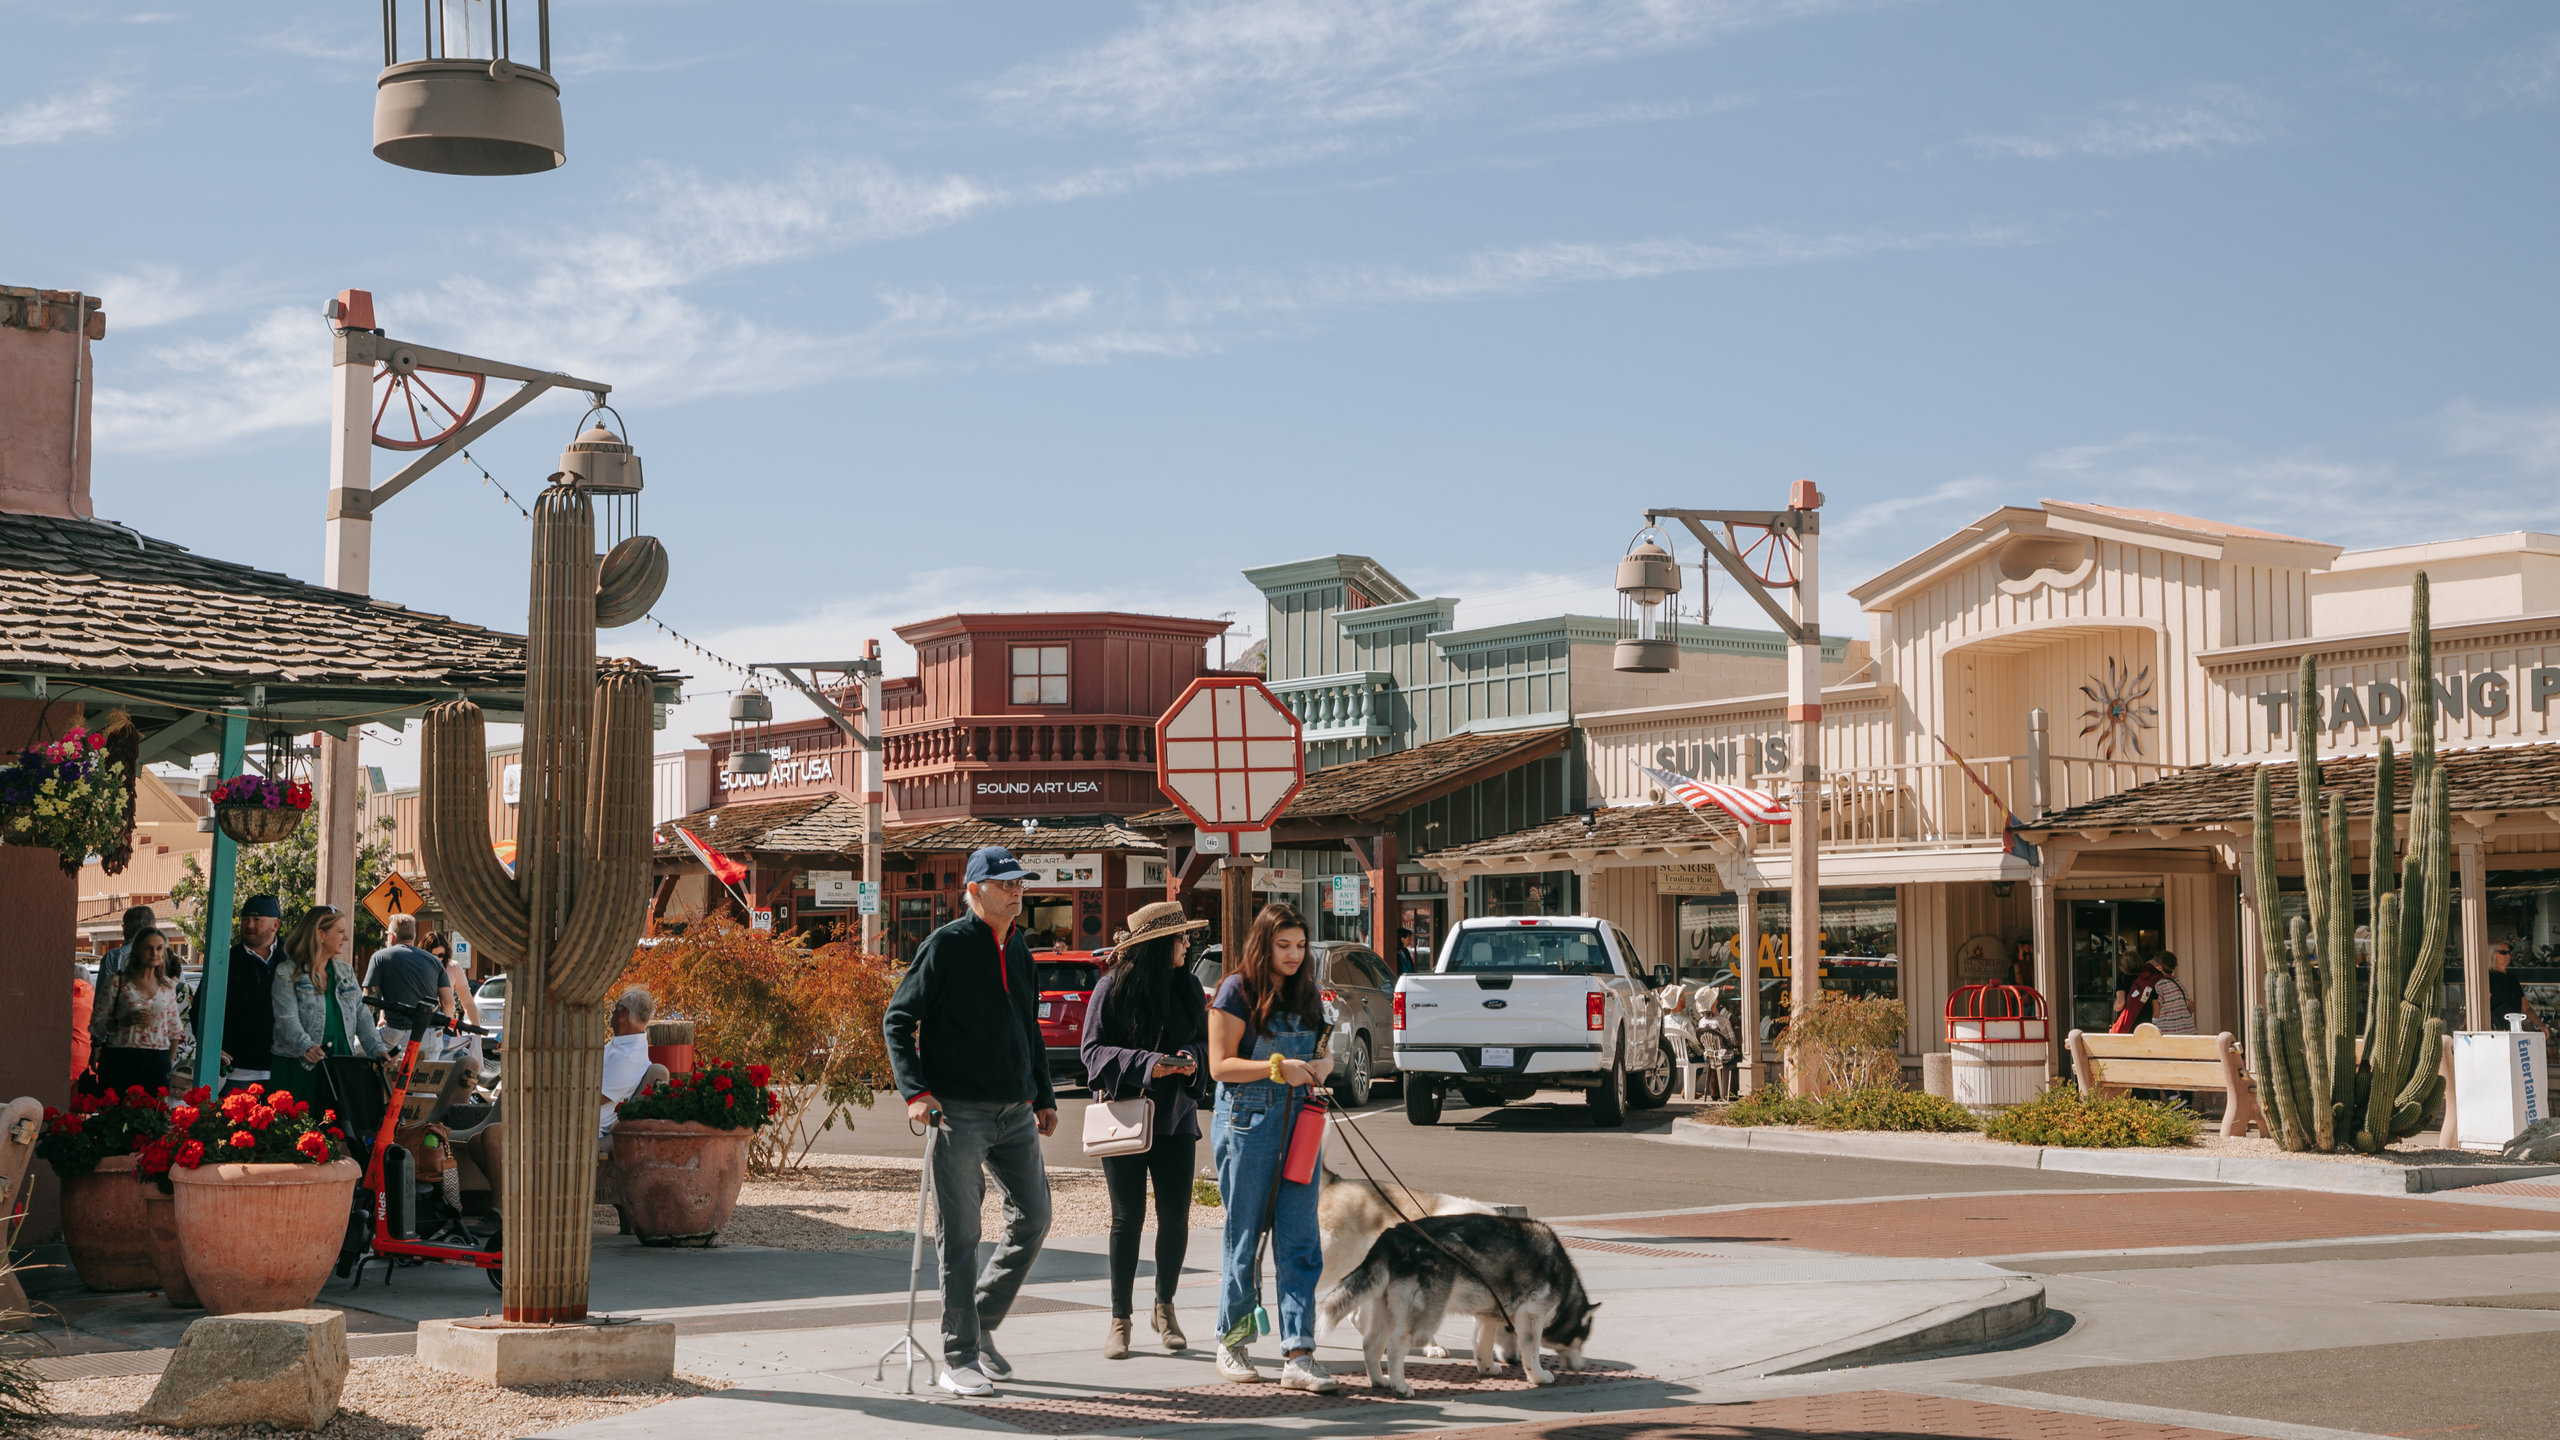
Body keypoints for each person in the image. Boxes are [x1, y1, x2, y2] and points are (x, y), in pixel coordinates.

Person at [882, 845, 1059, 1399]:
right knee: (960, 1236)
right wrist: (916, 1092)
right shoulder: (946, 946)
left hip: (1016, 1109)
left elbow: (1027, 1028)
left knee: (1034, 1217)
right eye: (1005, 884)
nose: (1017, 891)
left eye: (1020, 883)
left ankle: (976, 1327)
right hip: (956, 1111)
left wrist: (1045, 1095)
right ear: (975, 889)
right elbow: (898, 1020)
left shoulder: (1021, 949)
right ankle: (957, 1357)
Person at [1205, 901, 1336, 1393]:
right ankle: (1233, 1339)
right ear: (1263, 944)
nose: (1294, 955)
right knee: (1246, 1236)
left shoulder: (1306, 993)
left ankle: (1299, 1353)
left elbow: (1323, 1052)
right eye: (1283, 946)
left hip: (1301, 1121)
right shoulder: (1235, 990)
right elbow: (1220, 1066)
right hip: (1247, 1121)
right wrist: (1278, 1067)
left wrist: (1322, 1068)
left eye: (1300, 946)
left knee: (1301, 1237)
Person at [1080, 901, 1210, 1359]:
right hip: (1125, 1121)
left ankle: (1165, 1306)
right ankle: (1120, 1319)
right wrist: (1151, 1064)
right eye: (1181, 938)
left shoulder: (1189, 986)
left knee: (1175, 1218)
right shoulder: (1110, 989)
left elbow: (1204, 1043)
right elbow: (1092, 1054)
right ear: (1159, 945)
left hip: (1175, 1119)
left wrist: (1190, 1060)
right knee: (1126, 1219)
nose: (1187, 943)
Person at [269, 905, 387, 1125]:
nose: (347, 937)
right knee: (296, 1135)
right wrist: (306, 1046)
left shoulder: (345, 972)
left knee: (337, 1133)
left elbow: (361, 1014)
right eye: (340, 932)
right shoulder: (286, 972)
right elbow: (286, 1019)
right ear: (320, 935)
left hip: (340, 1061)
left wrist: (377, 1049)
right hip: (300, 1064)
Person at [195, 894, 285, 1094]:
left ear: (275, 924)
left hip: (282, 1070)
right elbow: (200, 1010)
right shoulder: (225, 961)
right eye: (245, 919)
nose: (249, 925)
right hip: (236, 1074)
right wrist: (212, 1048)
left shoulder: (293, 959)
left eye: (257, 920)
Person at [92, 925, 184, 1094]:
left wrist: (168, 1063)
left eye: (159, 948)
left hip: (157, 1060)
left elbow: (175, 1030)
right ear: (137, 951)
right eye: (148, 948)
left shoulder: (167, 986)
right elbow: (97, 1025)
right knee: (117, 1115)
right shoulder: (117, 982)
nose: (154, 953)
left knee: (152, 1118)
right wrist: (124, 1021)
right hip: (121, 1057)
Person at [365, 913, 453, 1053]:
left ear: (392, 936)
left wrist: (364, 1030)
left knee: (354, 1049)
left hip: (395, 1034)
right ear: (413, 936)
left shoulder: (379, 957)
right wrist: (442, 1025)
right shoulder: (434, 961)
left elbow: (369, 999)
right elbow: (448, 1001)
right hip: (430, 1035)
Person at [600, 987, 660, 1141]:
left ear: (623, 1014)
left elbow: (593, 1098)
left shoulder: (627, 1058)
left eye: (615, 1009)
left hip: (585, 1126)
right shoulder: (622, 1046)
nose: (611, 1013)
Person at [2489, 940, 2544, 1031]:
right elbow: (2482, 1007)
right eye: (2503, 952)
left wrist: (2540, 1024)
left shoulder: (2512, 979)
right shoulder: (2488, 978)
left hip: (2514, 1028)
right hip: (2495, 1032)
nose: (2508, 956)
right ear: (2491, 954)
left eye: (2509, 952)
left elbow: (2525, 1007)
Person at [2110, 949, 2164, 1034]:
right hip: (2145, 1027)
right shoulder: (2147, 981)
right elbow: (2156, 1012)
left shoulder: (2122, 979)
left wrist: (2114, 1008)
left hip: (2127, 1027)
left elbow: (2120, 1004)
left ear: (2123, 965)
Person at [2149, 952, 2196, 1035]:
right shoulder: (2177, 982)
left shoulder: (2158, 984)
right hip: (2188, 1030)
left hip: (2168, 1033)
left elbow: (2156, 1011)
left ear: (2159, 967)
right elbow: (2192, 1006)